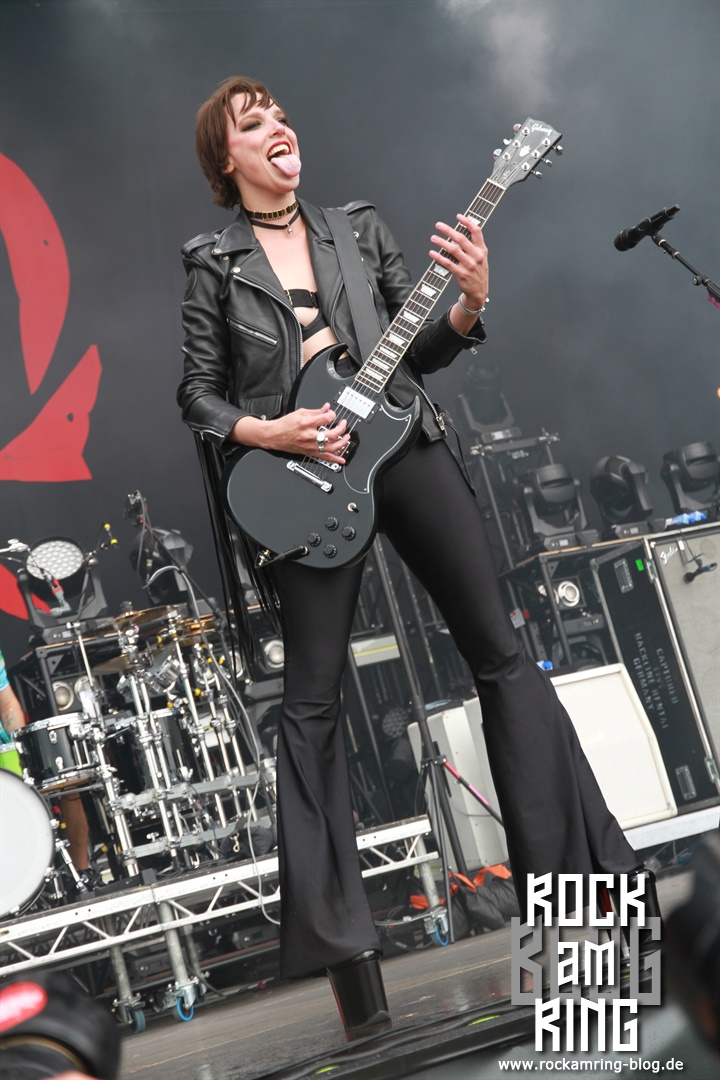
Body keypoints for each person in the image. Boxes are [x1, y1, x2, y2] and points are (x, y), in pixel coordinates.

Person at [178, 77, 655, 1037]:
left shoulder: (356, 227)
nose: (279, 128)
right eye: (254, 122)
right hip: (305, 475)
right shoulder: (212, 264)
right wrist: (272, 431)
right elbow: (198, 394)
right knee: (311, 705)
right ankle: (352, 971)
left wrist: (472, 301)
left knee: (504, 658)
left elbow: (422, 346)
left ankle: (577, 924)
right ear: (226, 159)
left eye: (281, 114)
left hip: (408, 446)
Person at [0, 650, 93, 887]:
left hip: (6, 752)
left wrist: (22, 747)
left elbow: (7, 703)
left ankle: (82, 874)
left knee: (67, 781)